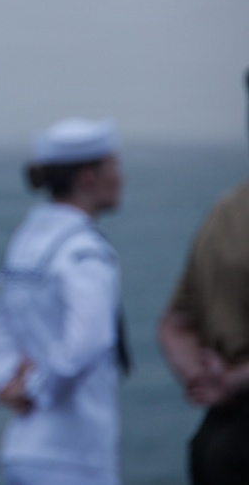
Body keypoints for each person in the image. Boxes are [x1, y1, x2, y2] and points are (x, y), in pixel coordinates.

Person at [0, 118, 127, 485]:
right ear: (88, 178)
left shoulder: (29, 242)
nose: (120, 177)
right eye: (113, 166)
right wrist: (37, 389)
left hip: (26, 446)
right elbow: (89, 342)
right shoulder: (83, 251)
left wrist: (4, 384)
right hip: (74, 453)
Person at [158, 70, 249, 484]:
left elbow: (173, 325)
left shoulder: (225, 213)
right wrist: (231, 381)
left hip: (221, 439)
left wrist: (202, 377)